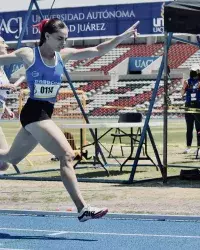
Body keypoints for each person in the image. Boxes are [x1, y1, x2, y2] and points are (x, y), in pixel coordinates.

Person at [0, 18, 139, 222]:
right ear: (46, 36)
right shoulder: (28, 54)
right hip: (34, 112)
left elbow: (98, 49)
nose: (63, 43)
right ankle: (82, 208)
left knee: (9, 159)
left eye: (65, 39)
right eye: (59, 39)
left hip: (46, 112)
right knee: (66, 154)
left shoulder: (63, 56)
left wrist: (122, 37)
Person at [0, 36, 25, 171]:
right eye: (3, 42)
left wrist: (5, 108)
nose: (6, 45)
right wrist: (4, 86)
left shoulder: (2, 67)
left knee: (4, 164)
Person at [181, 63, 200, 156]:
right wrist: (184, 86)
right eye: (192, 71)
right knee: (189, 127)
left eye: (195, 71)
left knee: (199, 128)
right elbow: (181, 94)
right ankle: (188, 147)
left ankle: (199, 148)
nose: (193, 72)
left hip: (199, 105)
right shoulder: (188, 81)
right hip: (189, 105)